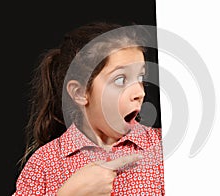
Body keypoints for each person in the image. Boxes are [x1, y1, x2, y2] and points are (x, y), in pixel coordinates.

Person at [12, 22, 165, 195]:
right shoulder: (44, 165)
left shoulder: (163, 149)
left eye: (140, 77)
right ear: (80, 93)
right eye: (120, 80)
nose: (140, 92)